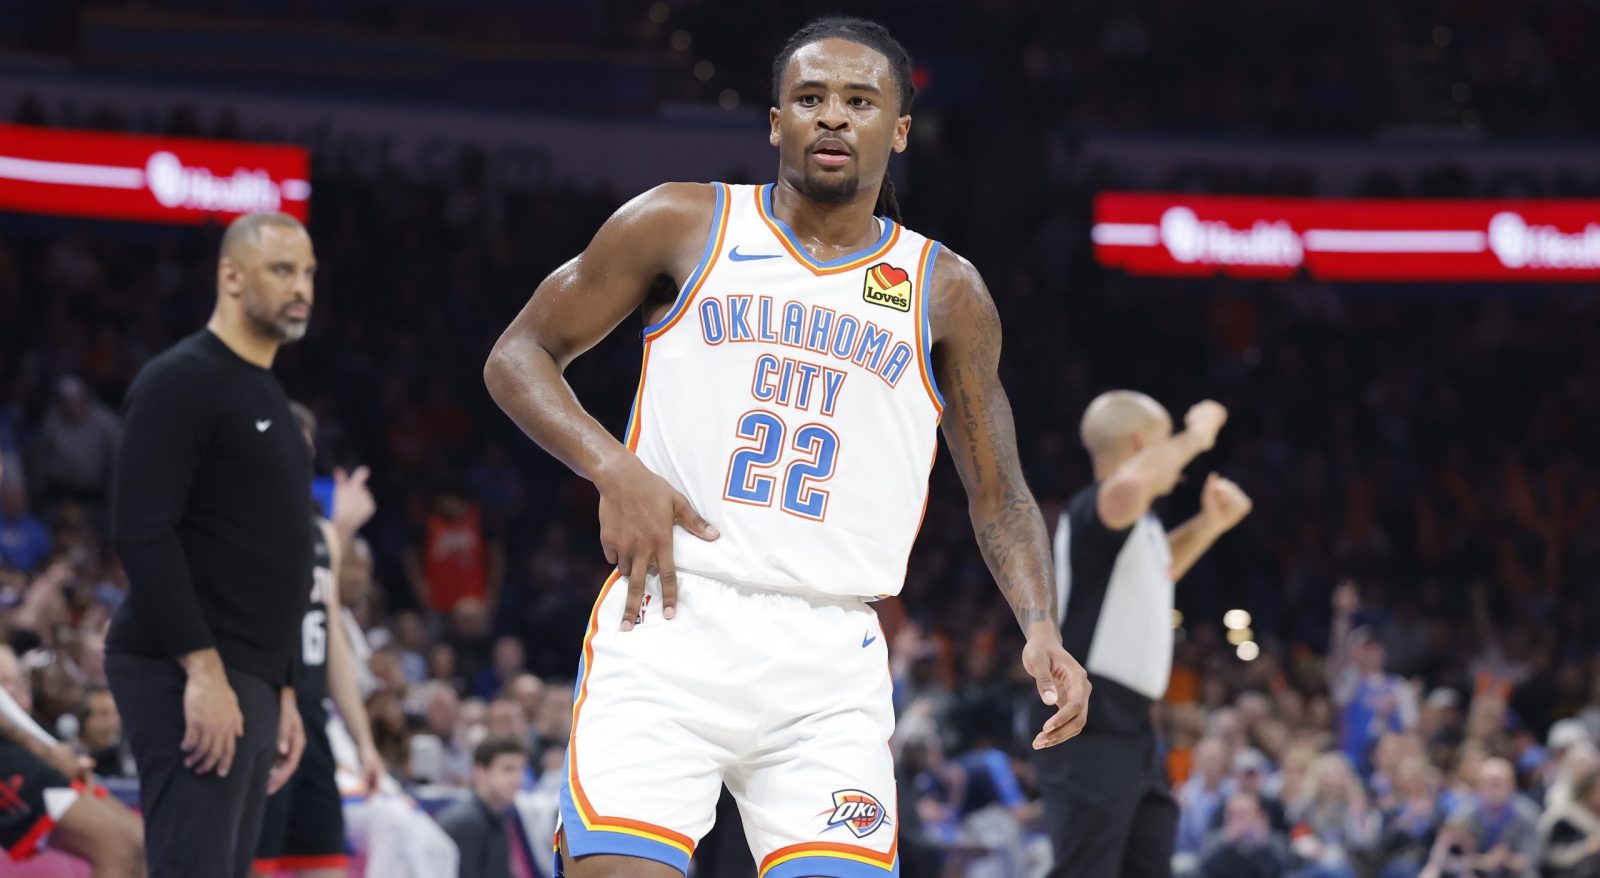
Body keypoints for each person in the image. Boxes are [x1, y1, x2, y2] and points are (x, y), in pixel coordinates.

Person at [483, 15, 1092, 877]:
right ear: (776, 122)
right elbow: (518, 353)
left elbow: (1000, 489)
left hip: (832, 652)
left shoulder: (945, 290)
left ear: (900, 130)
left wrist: (1040, 626)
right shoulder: (683, 222)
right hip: (670, 616)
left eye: (858, 101)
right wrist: (613, 465)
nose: (833, 117)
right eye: (809, 99)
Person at [106, 211, 317, 878]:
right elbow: (143, 529)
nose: (302, 287)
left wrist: (284, 690)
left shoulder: (274, 399)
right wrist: (201, 671)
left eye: (309, 273)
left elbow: (275, 555)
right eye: (283, 270)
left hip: (250, 674)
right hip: (188, 668)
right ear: (230, 275)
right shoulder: (182, 379)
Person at [1032, 390, 1252, 878]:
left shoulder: (1139, 529)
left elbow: (1161, 569)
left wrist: (1211, 524)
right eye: (1165, 444)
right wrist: (1198, 434)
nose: (1179, 462)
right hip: (1088, 718)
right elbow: (1131, 485)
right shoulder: (1099, 506)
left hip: (1132, 726)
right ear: (1139, 445)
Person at [251, 403, 385, 877]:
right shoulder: (245, 530)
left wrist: (362, 739)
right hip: (261, 721)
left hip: (312, 725)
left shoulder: (322, 537)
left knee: (325, 865)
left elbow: (332, 650)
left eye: (307, 448)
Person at [0, 643, 145, 876]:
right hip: (10, 751)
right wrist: (45, 750)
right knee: (116, 847)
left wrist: (50, 746)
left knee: (137, 840)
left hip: (23, 743)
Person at [436, 736, 529, 878]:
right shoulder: (465, 822)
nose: (518, 779)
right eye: (508, 769)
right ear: (480, 772)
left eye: (520, 770)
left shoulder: (499, 816)